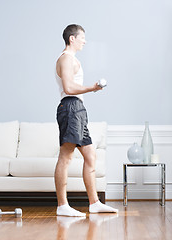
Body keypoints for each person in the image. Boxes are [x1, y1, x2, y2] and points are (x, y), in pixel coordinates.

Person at [55, 24, 118, 217]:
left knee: (91, 156)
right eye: (82, 37)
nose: (85, 40)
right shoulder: (66, 59)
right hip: (71, 107)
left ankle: (94, 203)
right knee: (66, 156)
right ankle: (62, 205)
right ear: (72, 38)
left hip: (78, 110)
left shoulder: (72, 59)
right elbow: (68, 88)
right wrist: (92, 88)